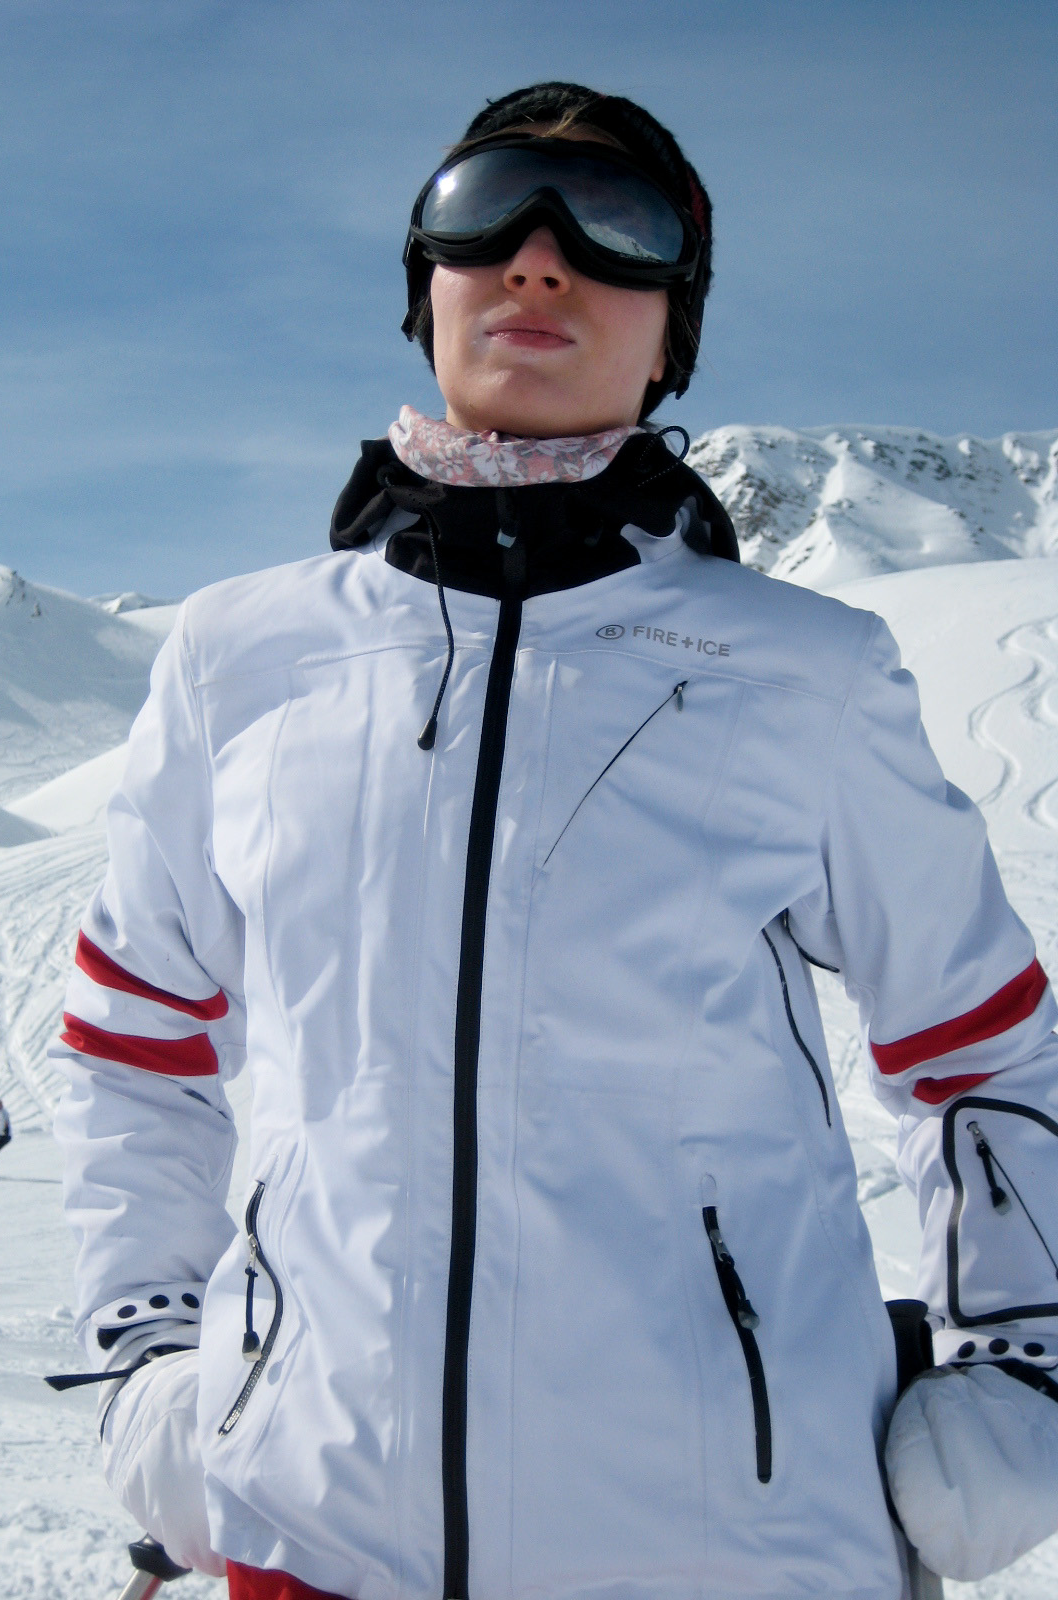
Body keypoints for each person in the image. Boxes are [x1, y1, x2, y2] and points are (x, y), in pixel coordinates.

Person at [52, 82, 1058, 1600]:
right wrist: (155, 1364)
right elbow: (131, 1046)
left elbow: (984, 1051)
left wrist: (1023, 1380)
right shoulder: (239, 660)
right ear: (427, 288)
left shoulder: (807, 674)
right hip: (314, 1542)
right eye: (488, 210)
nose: (539, 261)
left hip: (737, 1553)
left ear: (673, 337)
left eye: (617, 230)